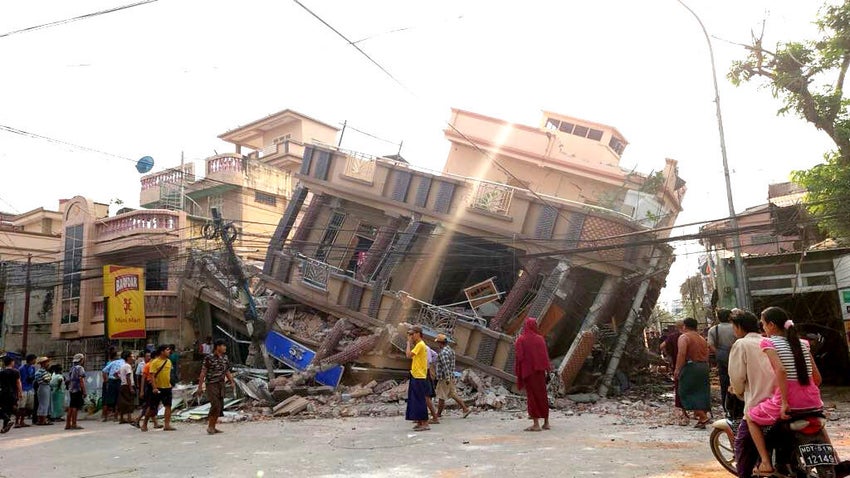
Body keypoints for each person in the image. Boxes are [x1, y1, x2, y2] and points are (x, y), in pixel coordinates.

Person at [747, 306, 825, 476]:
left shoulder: (768, 343)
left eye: (763, 324)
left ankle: (766, 463)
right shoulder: (803, 344)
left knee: (750, 418)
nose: (763, 328)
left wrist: (784, 402)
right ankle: (834, 458)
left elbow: (781, 370)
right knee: (818, 421)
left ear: (772, 325)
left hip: (789, 401)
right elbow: (817, 378)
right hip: (813, 400)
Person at [728, 310, 776, 478]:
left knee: (741, 445)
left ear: (739, 327)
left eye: (734, 327)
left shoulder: (741, 344)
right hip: (781, 402)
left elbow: (736, 377)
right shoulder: (769, 342)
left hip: (757, 403)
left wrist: (737, 391)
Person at [514, 317, 551, 432]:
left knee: (532, 397)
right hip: (540, 372)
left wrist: (515, 343)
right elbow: (545, 356)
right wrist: (548, 371)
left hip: (528, 372)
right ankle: (546, 422)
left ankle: (536, 424)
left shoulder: (521, 339)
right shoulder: (540, 339)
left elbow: (519, 356)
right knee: (542, 395)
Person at [675, 317, 711, 428]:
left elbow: (681, 353)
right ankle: (702, 417)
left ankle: (703, 416)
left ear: (684, 326)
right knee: (701, 392)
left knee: (685, 391)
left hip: (691, 366)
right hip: (703, 366)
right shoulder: (701, 338)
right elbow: (707, 353)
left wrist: (677, 369)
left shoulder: (684, 337)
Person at [198, 339, 234, 435]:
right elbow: (203, 372)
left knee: (219, 407)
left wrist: (231, 381)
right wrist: (200, 387)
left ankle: (213, 426)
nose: (225, 348)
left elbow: (227, 371)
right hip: (211, 384)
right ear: (217, 347)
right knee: (215, 405)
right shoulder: (209, 358)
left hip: (221, 384)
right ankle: (210, 426)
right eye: (223, 346)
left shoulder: (225, 358)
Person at [433, 333, 471, 419]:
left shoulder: (443, 353)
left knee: (441, 396)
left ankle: (438, 414)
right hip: (450, 376)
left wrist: (446, 378)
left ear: (440, 343)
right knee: (453, 394)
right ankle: (465, 409)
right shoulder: (451, 351)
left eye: (437, 343)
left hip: (444, 378)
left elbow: (446, 367)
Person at [708, 308, 737, 415]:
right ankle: (738, 405)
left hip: (721, 357)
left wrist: (718, 353)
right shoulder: (735, 327)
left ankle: (726, 407)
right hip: (735, 354)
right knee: (737, 380)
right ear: (729, 317)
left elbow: (710, 345)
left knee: (724, 383)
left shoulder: (713, 330)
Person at [661, 321, 689, 425]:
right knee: (693, 388)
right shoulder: (689, 336)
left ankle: (684, 413)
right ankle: (698, 413)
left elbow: (662, 346)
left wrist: (668, 356)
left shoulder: (673, 337)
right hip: (690, 365)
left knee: (679, 388)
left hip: (677, 365)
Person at [143, 345, 176, 432]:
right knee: (152, 407)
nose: (169, 351)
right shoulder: (155, 362)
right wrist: (154, 387)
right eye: (167, 350)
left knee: (168, 406)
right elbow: (152, 376)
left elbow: (170, 374)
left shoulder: (169, 361)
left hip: (167, 387)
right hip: (157, 388)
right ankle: (144, 423)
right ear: (162, 352)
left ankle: (167, 425)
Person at [405, 325, 430, 431]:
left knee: (419, 400)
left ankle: (424, 422)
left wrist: (408, 343)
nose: (411, 336)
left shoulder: (420, 345)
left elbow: (408, 355)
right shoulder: (419, 345)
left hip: (419, 376)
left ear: (418, 334)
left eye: (412, 334)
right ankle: (420, 421)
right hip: (416, 374)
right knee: (415, 400)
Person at [0, 355, 22, 433]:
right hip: (13, 393)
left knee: (4, 409)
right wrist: (20, 392)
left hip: (3, 393)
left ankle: (7, 421)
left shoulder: (1, 372)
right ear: (11, 362)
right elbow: (18, 383)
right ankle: (4, 427)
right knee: (9, 410)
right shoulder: (16, 372)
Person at [65, 353, 86, 430]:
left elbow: (68, 380)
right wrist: (84, 391)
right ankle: (74, 424)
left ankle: (68, 424)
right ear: (81, 360)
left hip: (71, 389)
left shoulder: (72, 368)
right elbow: (81, 380)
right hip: (77, 389)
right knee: (75, 407)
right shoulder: (80, 368)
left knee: (71, 406)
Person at [15, 354, 36, 428]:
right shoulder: (21, 368)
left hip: (30, 388)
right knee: (21, 406)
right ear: (31, 360)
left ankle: (22, 421)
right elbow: (18, 380)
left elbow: (33, 377)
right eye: (34, 359)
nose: (35, 361)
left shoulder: (33, 368)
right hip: (23, 388)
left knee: (27, 407)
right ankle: (17, 422)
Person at [101, 348, 121, 422]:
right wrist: (106, 381)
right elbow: (104, 371)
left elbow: (104, 371)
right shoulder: (114, 363)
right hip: (113, 381)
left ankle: (106, 416)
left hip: (110, 381)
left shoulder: (110, 363)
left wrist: (106, 381)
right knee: (115, 399)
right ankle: (114, 416)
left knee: (108, 400)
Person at [116, 351, 136, 424]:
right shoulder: (128, 366)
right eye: (132, 356)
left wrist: (121, 379)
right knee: (129, 401)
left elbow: (116, 373)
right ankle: (129, 418)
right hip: (128, 385)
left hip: (123, 385)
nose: (133, 358)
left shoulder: (123, 366)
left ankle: (121, 418)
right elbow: (128, 377)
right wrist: (131, 388)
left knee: (122, 402)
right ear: (128, 358)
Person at [34, 356, 53, 425]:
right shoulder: (41, 372)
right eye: (47, 362)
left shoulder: (42, 371)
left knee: (42, 404)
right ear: (43, 363)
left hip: (43, 387)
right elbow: (47, 380)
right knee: (44, 404)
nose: (48, 364)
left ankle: (40, 420)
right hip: (44, 387)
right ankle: (43, 420)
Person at [425, 344, 440, 424]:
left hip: (425, 372)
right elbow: (435, 355)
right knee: (427, 396)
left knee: (426, 396)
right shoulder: (427, 348)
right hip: (428, 371)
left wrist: (429, 363)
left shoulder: (422, 347)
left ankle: (434, 417)